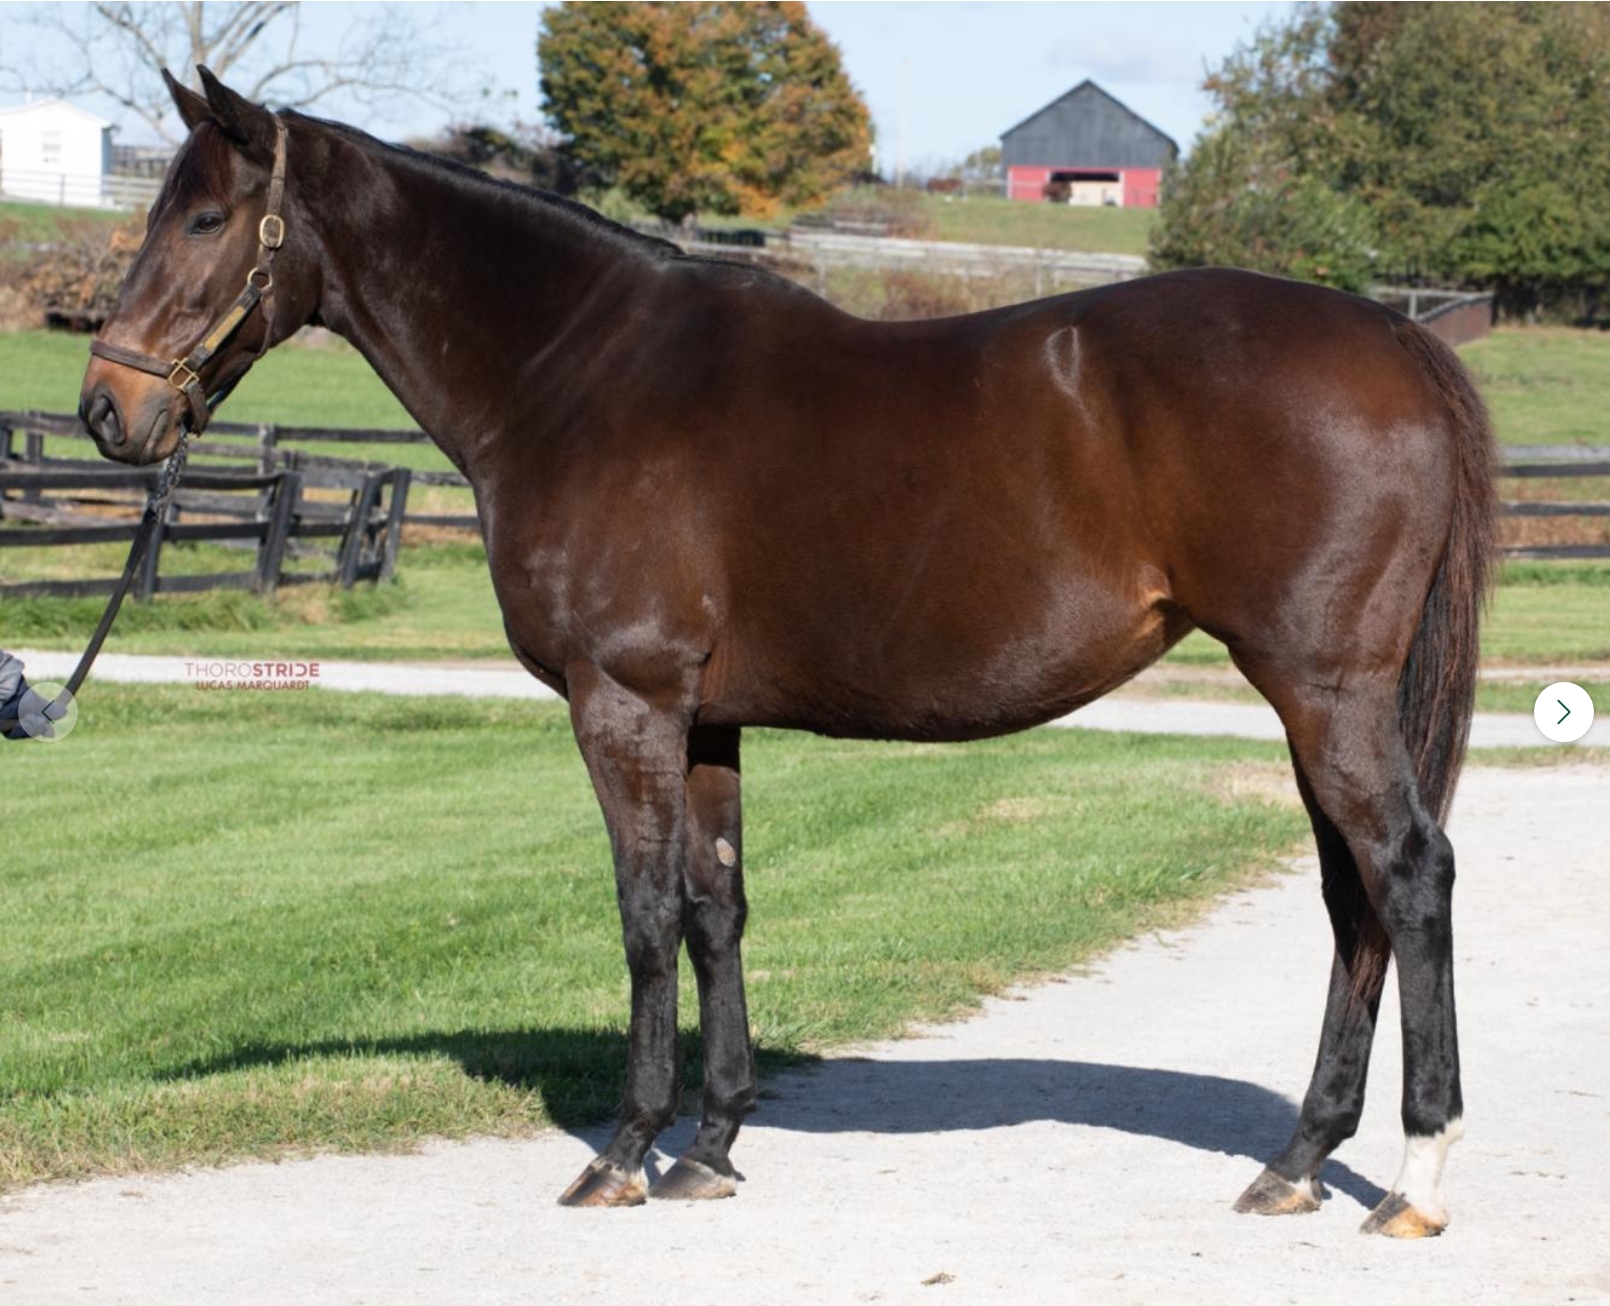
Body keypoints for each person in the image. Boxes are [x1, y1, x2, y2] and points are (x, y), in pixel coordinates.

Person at [0, 649, 52, 740]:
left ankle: (41, 721)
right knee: (10, 731)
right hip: (10, 685)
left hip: (10, 689)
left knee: (10, 728)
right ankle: (40, 723)